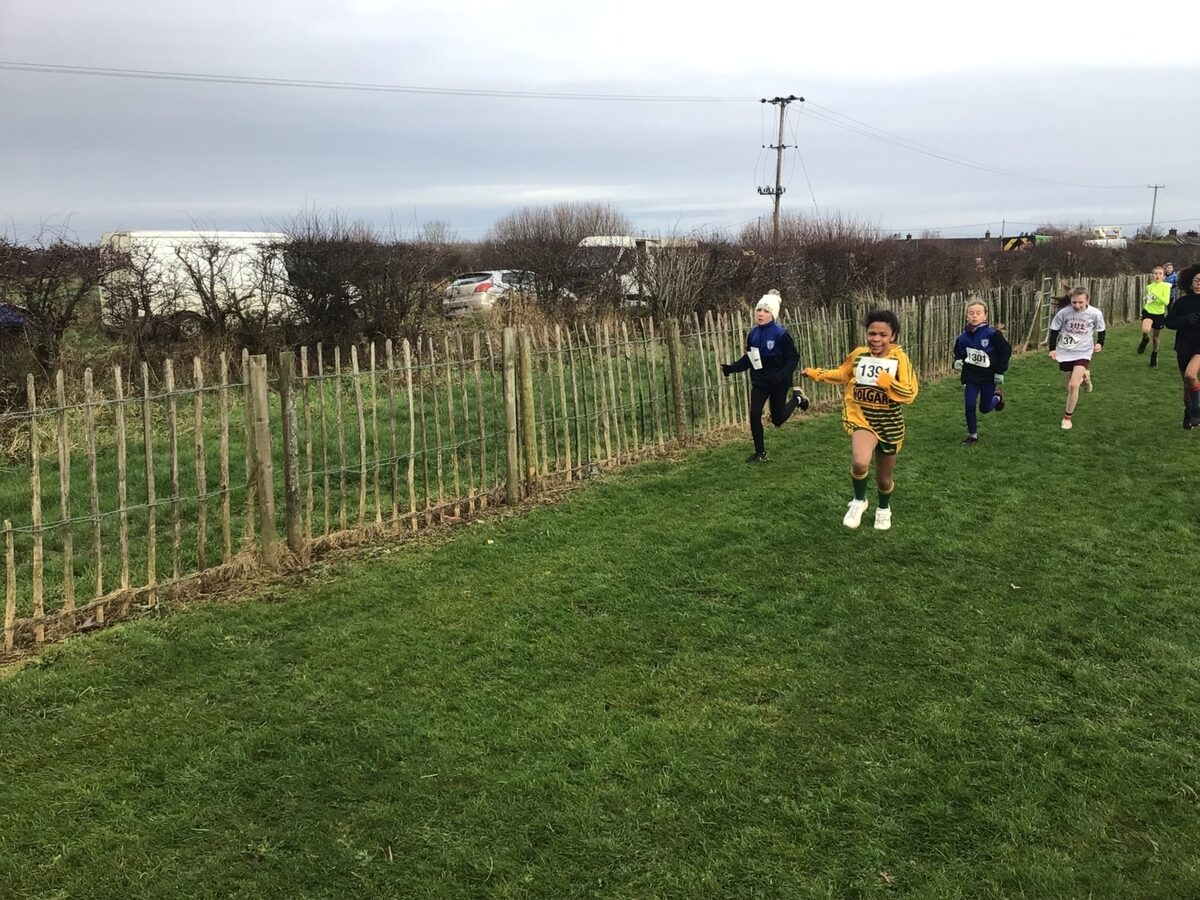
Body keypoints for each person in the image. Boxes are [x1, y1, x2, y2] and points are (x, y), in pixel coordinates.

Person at [801, 310, 918, 530]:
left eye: (882, 335)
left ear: (892, 336)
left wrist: (888, 383)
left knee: (884, 480)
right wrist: (816, 373)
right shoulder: (859, 355)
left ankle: (883, 508)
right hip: (863, 419)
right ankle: (858, 501)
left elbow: (910, 392)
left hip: (890, 424)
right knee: (860, 462)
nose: (876, 339)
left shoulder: (899, 359)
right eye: (872, 333)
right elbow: (843, 374)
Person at [720, 290, 808, 462]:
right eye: (759, 310)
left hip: (778, 382)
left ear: (773, 314)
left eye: (766, 311)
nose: (761, 313)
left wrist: (781, 375)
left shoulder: (781, 335)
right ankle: (760, 453)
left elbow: (793, 358)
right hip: (760, 381)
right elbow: (751, 358)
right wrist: (732, 368)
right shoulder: (753, 334)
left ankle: (798, 399)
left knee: (777, 420)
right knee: (754, 414)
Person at [953, 299, 1011, 444]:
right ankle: (972, 436)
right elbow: (958, 354)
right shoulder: (962, 338)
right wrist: (956, 362)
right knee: (969, 405)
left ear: (985, 316)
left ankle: (997, 397)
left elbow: (1006, 350)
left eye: (978, 313)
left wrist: (1000, 371)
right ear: (967, 316)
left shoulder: (993, 334)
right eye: (971, 313)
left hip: (989, 377)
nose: (974, 316)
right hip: (971, 377)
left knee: (984, 408)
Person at [1048, 286, 1106, 430]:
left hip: (1083, 351)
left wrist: (1100, 343)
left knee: (1074, 385)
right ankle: (1085, 377)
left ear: (1087, 300)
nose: (1077, 305)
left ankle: (1067, 418)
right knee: (1068, 386)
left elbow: (1101, 329)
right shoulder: (1064, 312)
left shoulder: (1095, 313)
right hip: (1065, 351)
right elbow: (1054, 330)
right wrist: (1052, 349)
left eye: (1080, 302)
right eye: (1074, 302)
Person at [1164, 262, 1200, 429]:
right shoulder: (1181, 302)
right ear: (1190, 284)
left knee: (1190, 376)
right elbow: (1169, 322)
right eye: (1196, 280)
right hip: (1184, 346)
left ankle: (1197, 411)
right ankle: (1188, 411)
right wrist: (1185, 320)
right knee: (1187, 385)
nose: (1199, 284)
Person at [1137, 265, 1172, 366]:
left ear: (1163, 276)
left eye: (1160, 274)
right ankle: (1145, 339)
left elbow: (1166, 302)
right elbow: (1151, 298)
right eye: (1155, 273)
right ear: (1152, 275)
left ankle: (1154, 354)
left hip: (1159, 314)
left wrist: (1156, 294)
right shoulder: (1150, 286)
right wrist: (1147, 298)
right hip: (1148, 311)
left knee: (1155, 338)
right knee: (1145, 330)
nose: (1157, 275)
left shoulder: (1166, 286)